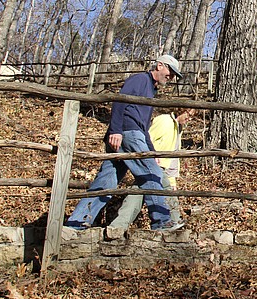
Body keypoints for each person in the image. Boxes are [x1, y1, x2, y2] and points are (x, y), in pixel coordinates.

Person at [65, 54, 185, 231]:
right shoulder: (139, 80)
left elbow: (144, 126)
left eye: (174, 75)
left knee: (106, 181)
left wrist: (153, 152)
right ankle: (161, 221)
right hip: (128, 134)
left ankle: (76, 223)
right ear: (160, 65)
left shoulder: (151, 90)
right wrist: (115, 130)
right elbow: (120, 101)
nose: (171, 77)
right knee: (152, 174)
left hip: (132, 134)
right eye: (170, 71)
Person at [108, 108, 195, 229]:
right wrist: (150, 158)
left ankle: (118, 226)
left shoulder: (178, 128)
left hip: (160, 166)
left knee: (137, 193)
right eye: (188, 115)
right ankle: (174, 221)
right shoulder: (164, 121)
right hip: (154, 164)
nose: (189, 119)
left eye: (192, 117)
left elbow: (174, 155)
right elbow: (147, 138)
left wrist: (173, 179)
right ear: (181, 110)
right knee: (166, 190)